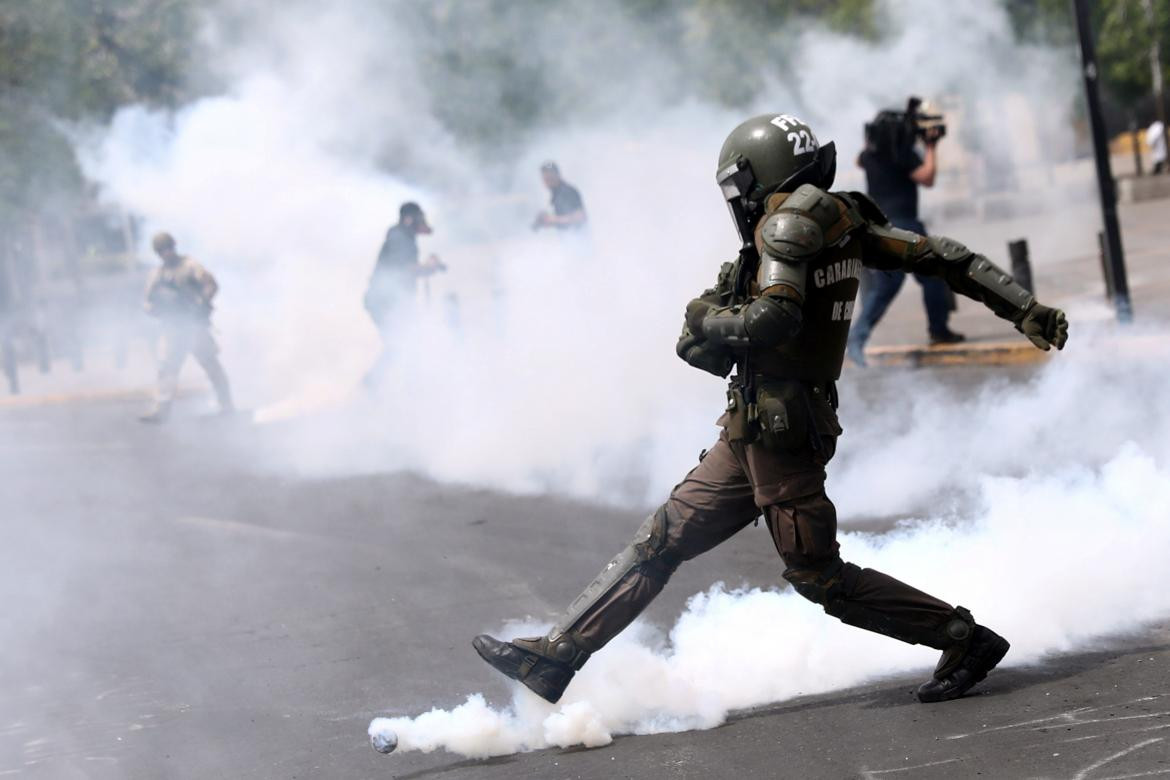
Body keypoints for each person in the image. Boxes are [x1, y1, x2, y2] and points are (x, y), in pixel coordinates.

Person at [473, 114, 1068, 706]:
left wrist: (707, 320)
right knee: (663, 539)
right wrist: (1024, 307)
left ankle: (962, 637)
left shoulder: (787, 227)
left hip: (783, 430)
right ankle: (557, 656)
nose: (740, 201)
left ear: (763, 175)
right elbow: (943, 256)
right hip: (754, 424)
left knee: (820, 578)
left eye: (741, 186)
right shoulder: (844, 220)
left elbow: (772, 318)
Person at [847, 104, 963, 367]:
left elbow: (858, 159)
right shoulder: (903, 154)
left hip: (878, 228)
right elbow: (928, 178)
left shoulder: (870, 155)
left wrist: (875, 139)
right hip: (905, 226)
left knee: (887, 286)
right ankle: (938, 330)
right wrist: (931, 147)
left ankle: (856, 338)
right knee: (933, 277)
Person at [140, 232, 233, 423]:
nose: (166, 253)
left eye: (168, 248)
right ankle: (162, 410)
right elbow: (147, 302)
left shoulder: (190, 266)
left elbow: (210, 284)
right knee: (167, 370)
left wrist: (201, 302)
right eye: (162, 250)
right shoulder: (157, 274)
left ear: (174, 247)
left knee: (210, 364)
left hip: (193, 325)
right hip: (172, 328)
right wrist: (157, 310)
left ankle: (226, 404)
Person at [363, 202, 445, 386]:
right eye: (418, 218)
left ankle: (380, 385)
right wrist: (428, 267)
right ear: (409, 219)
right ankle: (372, 386)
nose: (421, 222)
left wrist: (427, 268)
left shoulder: (402, 237)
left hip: (388, 301)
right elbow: (405, 269)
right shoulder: (400, 238)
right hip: (384, 302)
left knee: (404, 343)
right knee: (401, 343)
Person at [532, 162, 587, 231]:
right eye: (545, 178)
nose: (547, 181)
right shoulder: (556, 193)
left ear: (557, 175)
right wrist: (547, 220)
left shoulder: (568, 191)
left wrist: (553, 220)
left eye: (550, 178)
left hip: (579, 239)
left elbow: (580, 217)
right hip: (569, 239)